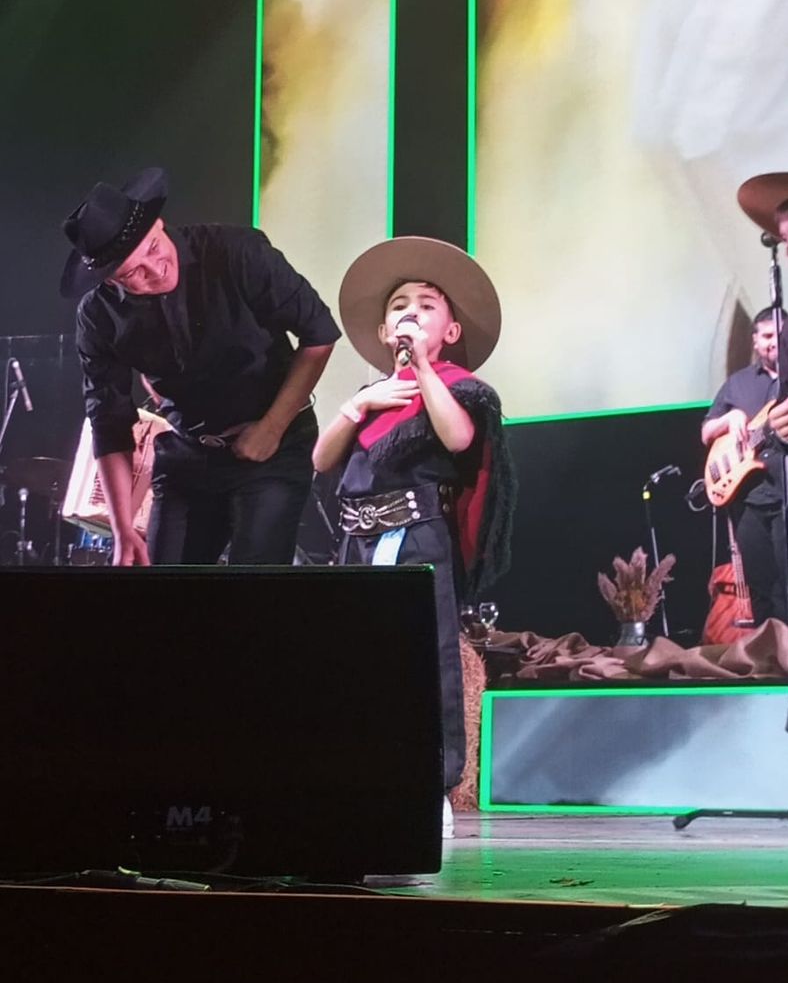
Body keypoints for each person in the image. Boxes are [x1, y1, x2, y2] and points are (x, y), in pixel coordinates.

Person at [312, 236, 515, 834]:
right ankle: (355, 777)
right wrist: (359, 404)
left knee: (423, 662)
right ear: (381, 332)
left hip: (416, 540)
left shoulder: (465, 389)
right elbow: (323, 461)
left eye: (427, 304)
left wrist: (423, 370)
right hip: (356, 545)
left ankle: (430, 786)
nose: (411, 311)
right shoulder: (370, 397)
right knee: (353, 662)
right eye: (400, 303)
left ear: (450, 330)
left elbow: (456, 440)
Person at [60, 166, 340, 566]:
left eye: (155, 247)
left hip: (273, 444)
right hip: (188, 454)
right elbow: (109, 422)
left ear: (161, 224)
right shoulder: (98, 317)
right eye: (134, 272)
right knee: (169, 597)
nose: (156, 270)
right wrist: (122, 529)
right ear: (108, 281)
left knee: (253, 592)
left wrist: (271, 428)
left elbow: (319, 334)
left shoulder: (237, 251)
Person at [701, 306, 788, 623]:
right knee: (761, 586)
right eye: (765, 336)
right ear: (754, 341)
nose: (772, 343)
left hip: (786, 498)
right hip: (749, 500)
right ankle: (769, 660)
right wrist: (730, 417)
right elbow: (706, 431)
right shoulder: (737, 384)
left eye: (779, 336)